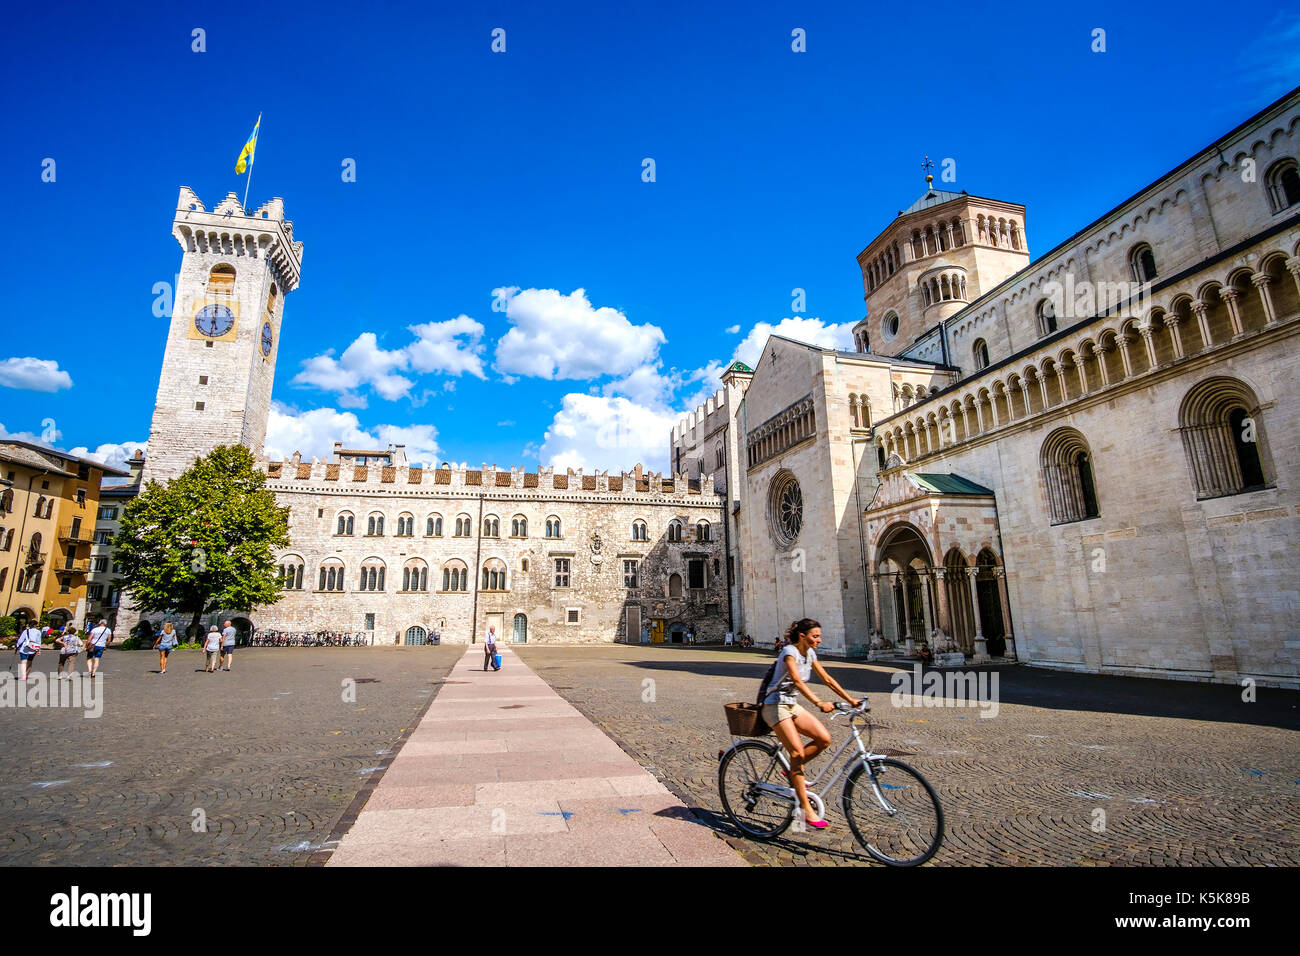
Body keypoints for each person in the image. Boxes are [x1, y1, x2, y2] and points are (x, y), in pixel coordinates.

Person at [761, 618, 862, 830]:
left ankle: (792, 771)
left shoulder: (811, 654)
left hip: (791, 704)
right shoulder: (790, 652)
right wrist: (818, 702)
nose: (819, 639)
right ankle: (806, 809)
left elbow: (827, 679)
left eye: (819, 636)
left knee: (824, 738)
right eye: (815, 636)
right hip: (774, 705)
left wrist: (851, 699)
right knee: (797, 754)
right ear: (803, 636)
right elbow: (797, 680)